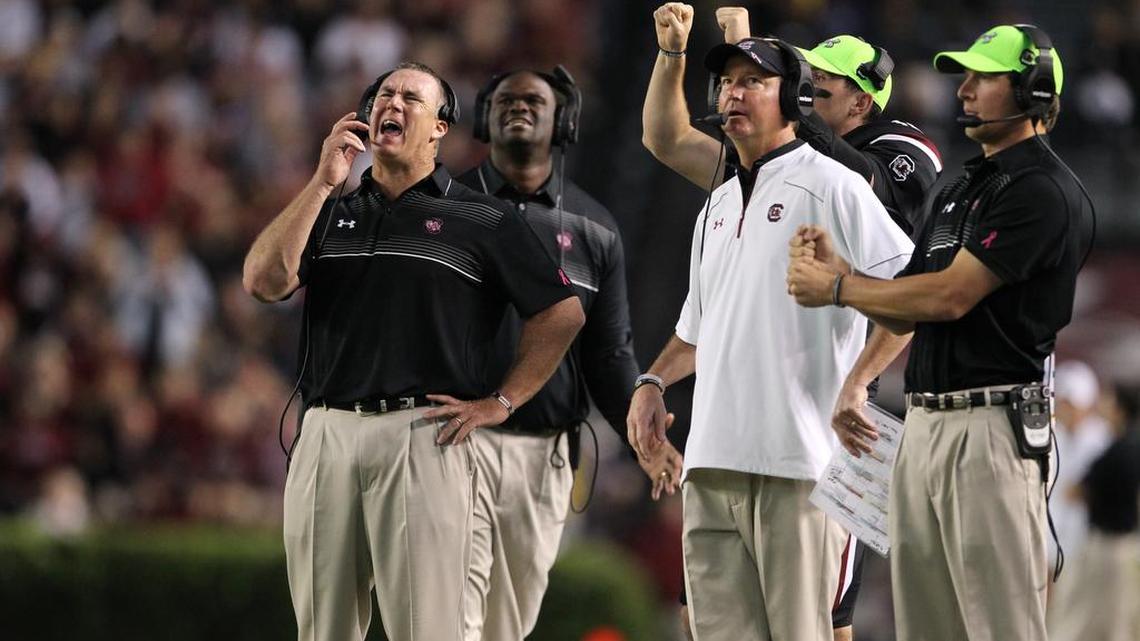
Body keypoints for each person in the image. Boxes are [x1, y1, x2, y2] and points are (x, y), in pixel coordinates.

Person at [241, 61, 585, 641]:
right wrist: (323, 182)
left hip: (424, 433)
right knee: (322, 632)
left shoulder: (482, 217)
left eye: (409, 97)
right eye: (382, 95)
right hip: (324, 431)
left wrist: (502, 401)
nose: (390, 104)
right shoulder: (328, 212)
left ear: (440, 129)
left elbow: (561, 311)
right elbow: (262, 281)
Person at [640, 5, 940, 639]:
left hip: (809, 454)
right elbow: (698, 324)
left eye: (754, 81)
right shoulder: (720, 199)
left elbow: (910, 296)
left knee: (825, 624)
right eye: (725, 82)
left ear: (858, 102)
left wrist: (857, 381)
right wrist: (652, 383)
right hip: (714, 456)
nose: (731, 94)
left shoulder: (862, 171)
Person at [787, 24, 1090, 641]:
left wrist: (840, 290)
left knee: (998, 625)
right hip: (924, 425)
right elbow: (906, 299)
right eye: (965, 76)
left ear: (1032, 91)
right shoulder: (961, 185)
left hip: (993, 428)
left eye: (984, 77)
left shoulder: (1042, 190)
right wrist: (845, 269)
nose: (965, 90)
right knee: (926, 627)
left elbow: (949, 298)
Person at [454, 67, 677, 641]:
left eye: (534, 100)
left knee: (511, 621)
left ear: (565, 122)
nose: (519, 107)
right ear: (484, 116)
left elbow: (609, 353)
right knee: (450, 614)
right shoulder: (443, 209)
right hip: (452, 439)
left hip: (547, 451)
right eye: (505, 98)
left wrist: (640, 437)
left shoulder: (593, 227)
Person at [1050, 383, 1140, 641]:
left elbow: (1077, 491)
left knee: (1102, 617)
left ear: (1120, 410)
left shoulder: (1119, 449)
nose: (1103, 406)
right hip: (1120, 545)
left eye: (1109, 402)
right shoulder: (1125, 444)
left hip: (1109, 547)